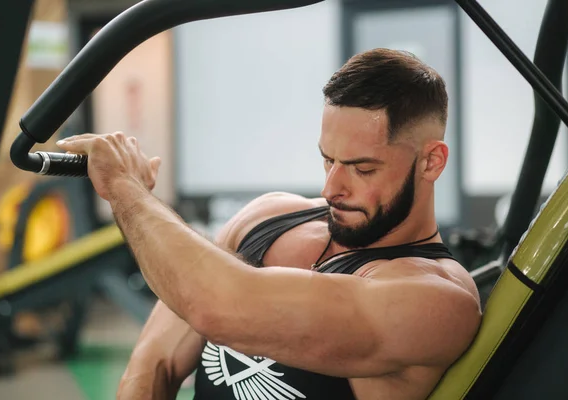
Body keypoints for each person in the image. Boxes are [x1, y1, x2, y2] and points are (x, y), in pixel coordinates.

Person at [57, 48, 481, 400]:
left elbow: (217, 306)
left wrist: (127, 191)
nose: (332, 187)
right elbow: (157, 361)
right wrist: (132, 195)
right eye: (328, 159)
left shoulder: (437, 301)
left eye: (362, 169)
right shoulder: (269, 216)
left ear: (431, 161)